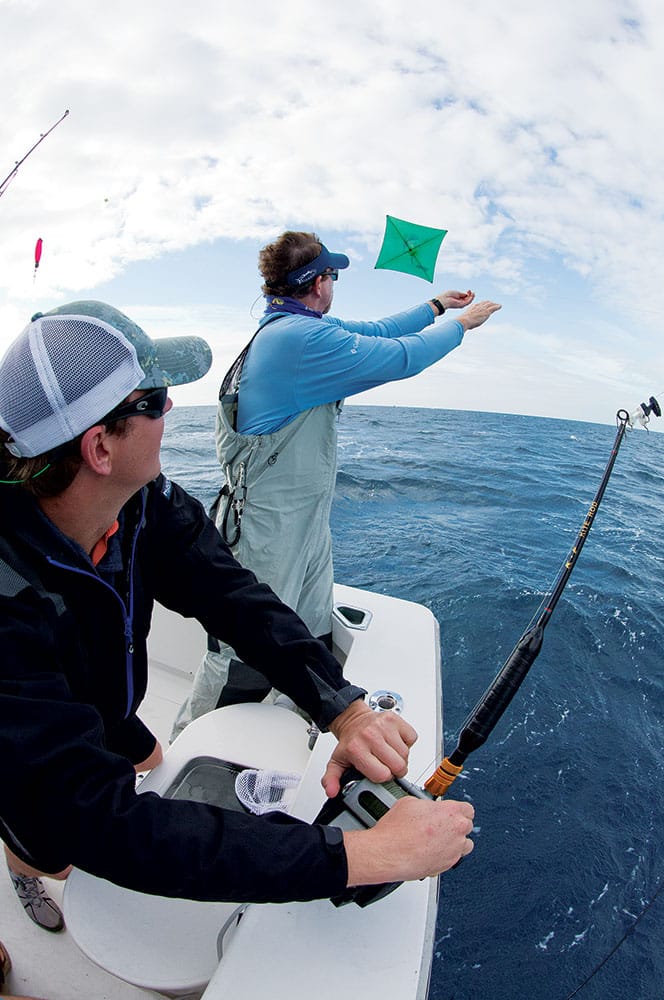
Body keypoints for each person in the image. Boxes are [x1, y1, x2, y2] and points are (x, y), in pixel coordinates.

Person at [0, 300, 475, 933]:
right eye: (153, 399)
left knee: (142, 757)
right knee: (53, 842)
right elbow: (99, 823)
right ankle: (22, 864)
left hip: (99, 700)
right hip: (29, 733)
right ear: (99, 449)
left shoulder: (145, 505)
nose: (170, 408)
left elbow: (233, 596)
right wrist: (359, 857)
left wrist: (343, 708)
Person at [172, 230, 501, 734]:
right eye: (333, 275)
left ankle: (290, 730)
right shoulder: (299, 341)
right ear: (317, 282)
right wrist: (462, 326)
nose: (335, 284)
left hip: (302, 526)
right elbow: (400, 357)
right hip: (267, 530)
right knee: (244, 653)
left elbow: (379, 329)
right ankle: (184, 751)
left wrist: (433, 306)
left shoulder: (297, 328)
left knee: (310, 634)